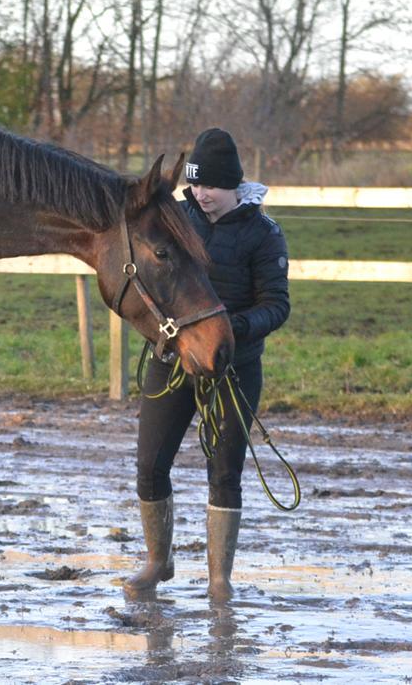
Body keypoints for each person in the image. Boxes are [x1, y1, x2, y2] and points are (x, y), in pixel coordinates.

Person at [124, 128, 290, 602]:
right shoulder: (177, 218)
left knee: (224, 472)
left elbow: (277, 305)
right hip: (172, 361)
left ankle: (219, 578)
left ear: (233, 185)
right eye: (194, 185)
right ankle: (158, 561)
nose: (199, 194)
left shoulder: (264, 234)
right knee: (150, 465)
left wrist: (230, 331)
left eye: (209, 187)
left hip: (233, 369)